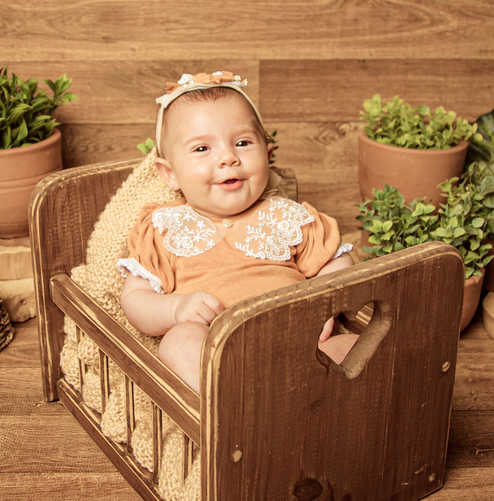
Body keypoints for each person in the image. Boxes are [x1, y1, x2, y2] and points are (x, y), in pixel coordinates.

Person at [117, 71, 357, 392]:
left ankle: (305, 400)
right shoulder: (164, 226)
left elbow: (336, 263)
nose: (228, 157)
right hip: (220, 355)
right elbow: (135, 299)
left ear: (267, 155)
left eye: (242, 143)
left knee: (355, 346)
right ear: (170, 174)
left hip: (302, 344)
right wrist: (176, 309)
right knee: (179, 342)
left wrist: (325, 304)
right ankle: (231, 404)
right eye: (202, 148)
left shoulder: (289, 215)